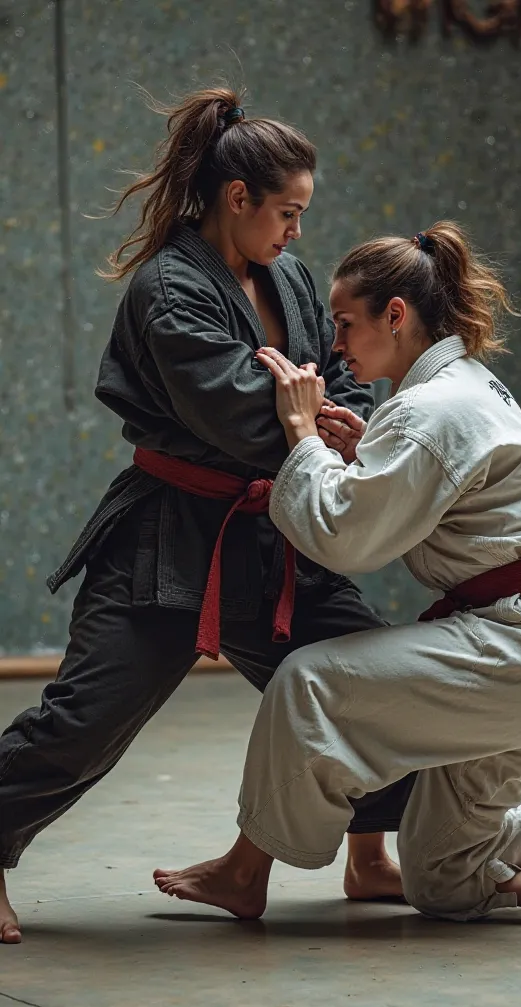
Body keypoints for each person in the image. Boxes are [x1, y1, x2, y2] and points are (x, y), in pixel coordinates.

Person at [154, 221, 521, 937]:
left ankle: (245, 873)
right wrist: (363, 445)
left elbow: (346, 538)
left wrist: (303, 436)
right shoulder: (465, 387)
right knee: (440, 871)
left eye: (345, 323)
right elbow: (431, 488)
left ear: (396, 315)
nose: (336, 344)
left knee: (310, 683)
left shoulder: (429, 410)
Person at [0, 87, 415, 945]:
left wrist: (334, 416)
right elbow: (238, 412)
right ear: (238, 199)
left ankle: (369, 850)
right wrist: (301, 419)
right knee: (86, 718)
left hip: (275, 530)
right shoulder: (169, 289)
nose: (297, 231)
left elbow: (331, 379)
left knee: (372, 679)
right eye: (288, 212)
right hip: (168, 537)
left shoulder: (290, 278)